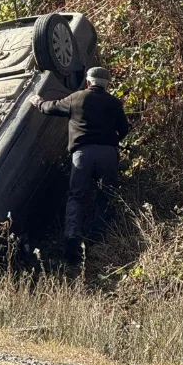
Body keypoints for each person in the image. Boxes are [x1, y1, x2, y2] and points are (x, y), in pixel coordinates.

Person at [29, 67, 128, 263]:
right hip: (108, 154)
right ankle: (101, 238)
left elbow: (50, 108)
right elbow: (124, 129)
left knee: (76, 197)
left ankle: (73, 242)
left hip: (82, 155)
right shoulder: (114, 103)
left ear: (88, 82)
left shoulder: (76, 98)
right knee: (107, 195)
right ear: (106, 84)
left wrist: (37, 101)